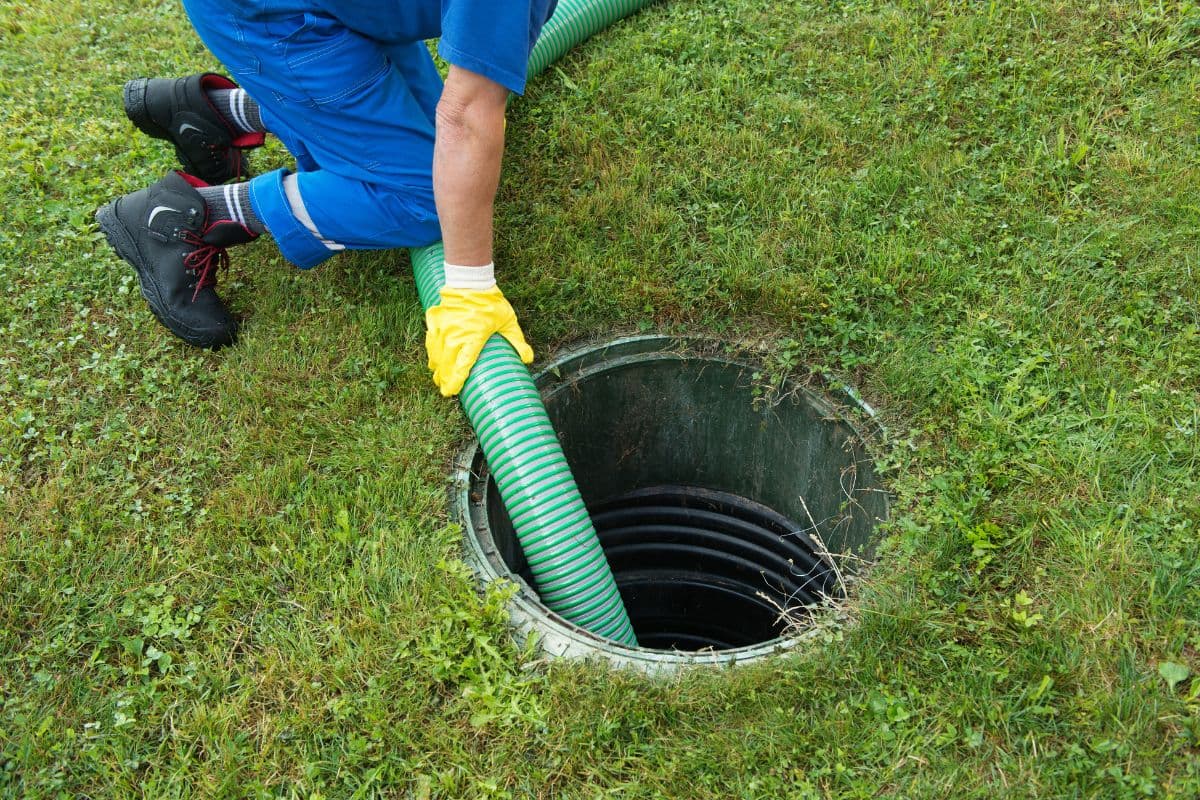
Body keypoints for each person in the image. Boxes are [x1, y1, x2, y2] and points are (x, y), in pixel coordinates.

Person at [96, 0, 557, 396]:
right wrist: (470, 292)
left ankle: (217, 112)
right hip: (271, 12)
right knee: (424, 196)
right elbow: (467, 115)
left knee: (435, 148)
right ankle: (184, 216)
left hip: (346, 10)